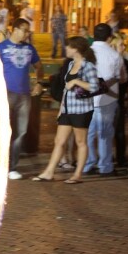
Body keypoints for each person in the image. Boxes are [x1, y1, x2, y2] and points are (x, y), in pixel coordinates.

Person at [33, 36, 99, 183]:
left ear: (76, 49)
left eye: (69, 47)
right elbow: (65, 90)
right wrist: (61, 108)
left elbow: (95, 86)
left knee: (81, 141)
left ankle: (77, 174)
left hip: (82, 109)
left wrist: (76, 81)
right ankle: (49, 171)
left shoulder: (88, 66)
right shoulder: (70, 65)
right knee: (59, 141)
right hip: (68, 108)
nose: (66, 49)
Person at [0, 19, 43, 180]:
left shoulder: (30, 48)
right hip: (4, 94)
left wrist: (39, 82)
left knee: (20, 132)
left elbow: (38, 66)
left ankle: (12, 167)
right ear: (15, 29)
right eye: (24, 30)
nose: (27, 33)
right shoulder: (1, 48)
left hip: (24, 95)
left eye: (28, 31)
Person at [83, 23, 122, 177]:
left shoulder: (87, 53)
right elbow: (118, 77)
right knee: (105, 132)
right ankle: (105, 166)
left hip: (87, 96)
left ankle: (88, 163)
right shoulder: (114, 55)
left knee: (89, 132)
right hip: (107, 97)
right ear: (109, 37)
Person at [110, 33, 128, 168]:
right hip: (110, 99)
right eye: (121, 45)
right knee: (109, 130)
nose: (123, 47)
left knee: (119, 131)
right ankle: (110, 156)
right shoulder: (112, 61)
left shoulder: (126, 62)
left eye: (124, 45)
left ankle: (121, 157)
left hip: (119, 100)